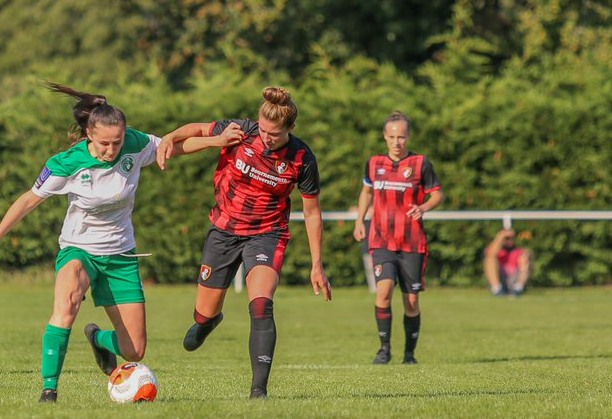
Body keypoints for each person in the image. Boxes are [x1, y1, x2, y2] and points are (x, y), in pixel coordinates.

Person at [0, 84, 219, 403]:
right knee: (68, 302)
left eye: (117, 142)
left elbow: (173, 145)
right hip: (79, 249)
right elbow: (29, 200)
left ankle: (100, 340)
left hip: (121, 255)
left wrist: (216, 140)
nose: (111, 149)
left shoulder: (134, 143)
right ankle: (49, 389)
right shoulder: (67, 163)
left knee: (135, 349)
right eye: (104, 143)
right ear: (89, 134)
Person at [158, 86, 331, 400]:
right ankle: (209, 321)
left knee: (262, 304)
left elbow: (312, 211)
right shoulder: (242, 130)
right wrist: (169, 137)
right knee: (202, 317)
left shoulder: (302, 158)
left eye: (275, 134)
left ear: (291, 129)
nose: (267, 138)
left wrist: (317, 264)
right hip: (223, 230)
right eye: (264, 130)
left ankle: (258, 391)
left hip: (267, 233)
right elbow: (196, 129)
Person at [352, 111, 443, 365]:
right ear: (384, 136)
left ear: (408, 137)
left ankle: (409, 354)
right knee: (382, 292)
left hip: (412, 242)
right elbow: (366, 192)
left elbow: (437, 194)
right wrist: (359, 220)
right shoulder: (373, 163)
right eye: (392, 137)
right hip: (381, 239)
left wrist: (423, 207)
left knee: (411, 301)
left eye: (401, 137)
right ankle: (384, 349)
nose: (396, 142)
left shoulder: (420, 163)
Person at [485, 228, 532, 296]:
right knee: (490, 259)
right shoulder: (497, 250)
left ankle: (518, 288)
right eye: (507, 238)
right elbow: (490, 253)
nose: (509, 240)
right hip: (500, 278)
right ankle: (497, 289)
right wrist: (501, 236)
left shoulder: (519, 250)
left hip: (514, 278)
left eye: (511, 238)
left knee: (524, 257)